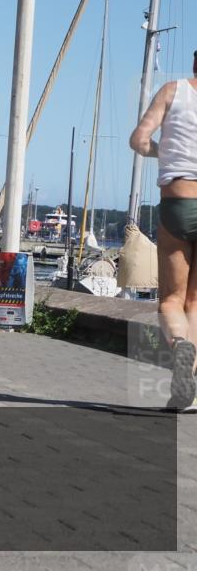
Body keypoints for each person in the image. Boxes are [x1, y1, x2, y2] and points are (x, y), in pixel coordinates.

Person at [129, 50, 197, 412]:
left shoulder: (173, 92)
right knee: (196, 302)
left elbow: (138, 140)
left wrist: (163, 153)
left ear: (195, 64)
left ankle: (181, 346)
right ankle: (188, 392)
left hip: (179, 202)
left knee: (171, 299)